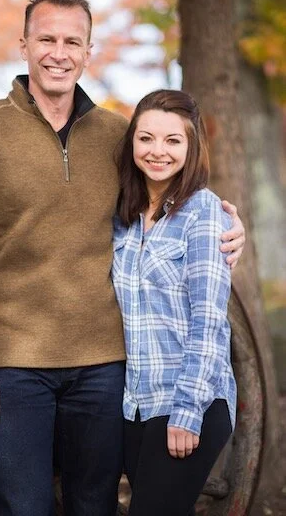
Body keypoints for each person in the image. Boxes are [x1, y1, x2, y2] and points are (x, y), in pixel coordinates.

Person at [0, 0, 244, 516]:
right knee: (23, 507)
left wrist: (231, 227)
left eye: (73, 41)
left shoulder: (119, 137)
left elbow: (172, 208)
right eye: (46, 39)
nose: (58, 52)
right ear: (23, 44)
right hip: (13, 365)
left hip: (105, 367)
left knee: (94, 505)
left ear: (89, 50)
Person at [112, 89, 237, 516]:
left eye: (172, 141)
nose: (157, 152)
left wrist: (187, 411)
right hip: (134, 405)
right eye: (146, 138)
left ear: (191, 146)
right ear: (132, 143)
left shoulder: (204, 212)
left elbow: (209, 319)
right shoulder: (121, 215)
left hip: (189, 401)